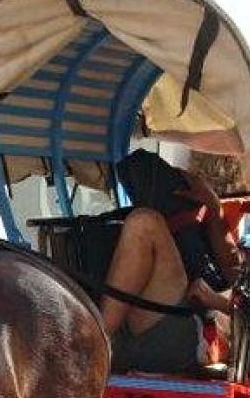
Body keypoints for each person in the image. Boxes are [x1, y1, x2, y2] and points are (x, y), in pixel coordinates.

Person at [101, 150, 241, 375]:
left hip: (197, 335)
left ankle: (97, 341)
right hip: (168, 314)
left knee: (145, 223)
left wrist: (214, 300)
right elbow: (232, 265)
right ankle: (99, 335)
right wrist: (212, 205)